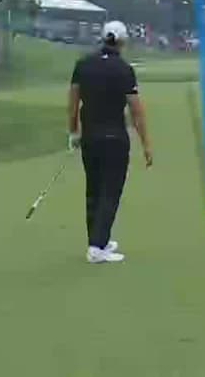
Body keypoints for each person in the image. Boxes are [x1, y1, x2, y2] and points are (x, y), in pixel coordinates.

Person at [67, 21, 152, 264]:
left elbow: (73, 102)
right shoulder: (124, 69)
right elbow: (136, 111)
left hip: (90, 138)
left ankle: (98, 239)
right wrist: (146, 144)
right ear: (122, 42)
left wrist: (73, 132)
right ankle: (97, 248)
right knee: (110, 192)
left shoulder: (83, 65)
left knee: (93, 190)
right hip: (115, 138)